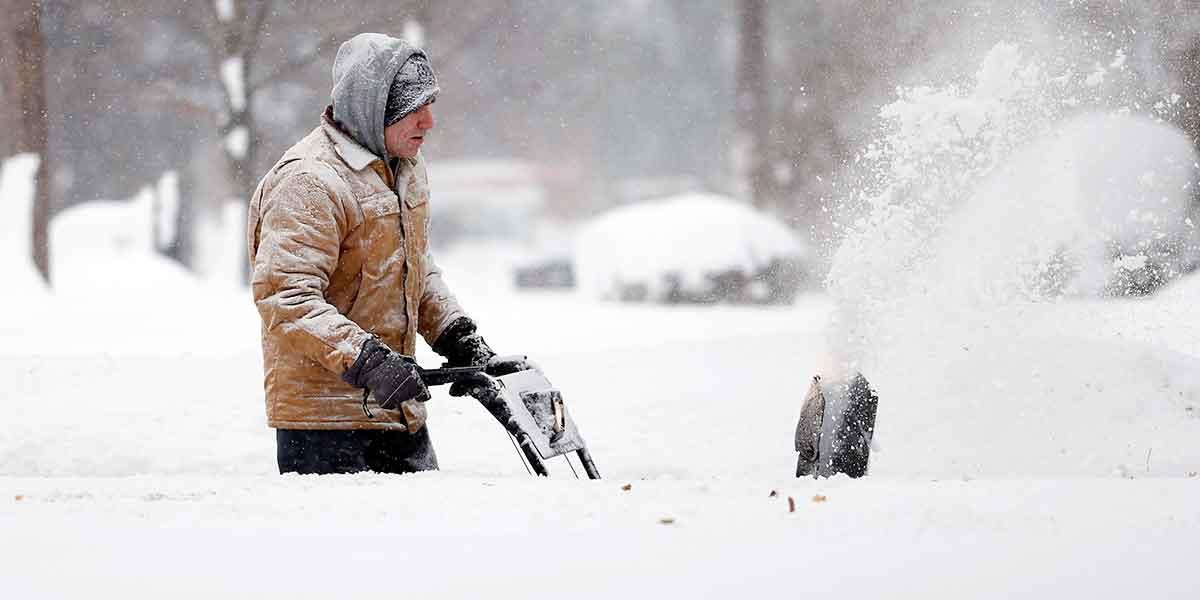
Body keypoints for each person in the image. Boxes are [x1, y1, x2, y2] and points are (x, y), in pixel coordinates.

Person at [247, 32, 521, 475]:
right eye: (415, 108)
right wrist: (368, 360)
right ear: (373, 108)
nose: (429, 122)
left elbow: (414, 269)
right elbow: (286, 298)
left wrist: (459, 339)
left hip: (400, 411)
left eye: (431, 105)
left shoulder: (405, 169)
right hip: (325, 423)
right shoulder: (309, 182)